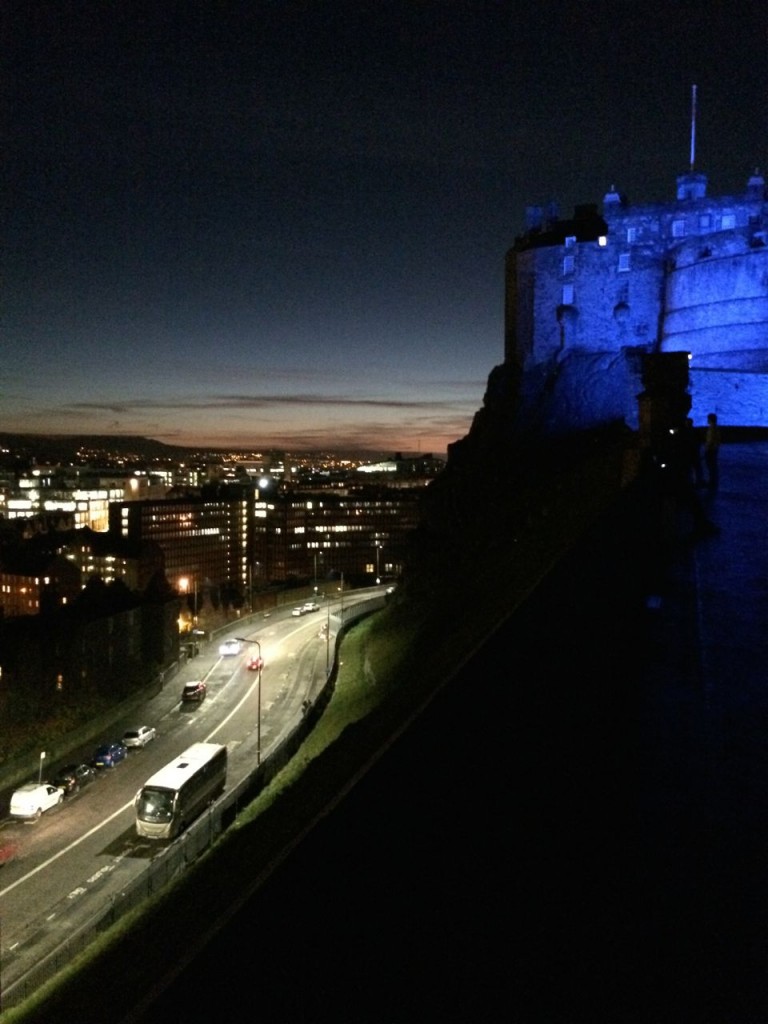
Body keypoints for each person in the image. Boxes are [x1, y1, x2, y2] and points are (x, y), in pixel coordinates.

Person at [704, 412, 721, 492]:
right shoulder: (715, 428)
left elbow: (710, 440)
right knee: (713, 465)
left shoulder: (712, 429)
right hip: (714, 449)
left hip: (711, 449)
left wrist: (707, 448)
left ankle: (712, 481)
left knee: (711, 465)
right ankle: (713, 480)